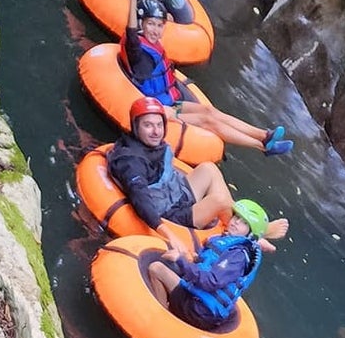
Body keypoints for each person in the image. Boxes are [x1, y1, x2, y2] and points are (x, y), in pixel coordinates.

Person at [122, 0, 293, 156]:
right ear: (142, 24)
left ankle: (264, 135)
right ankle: (263, 147)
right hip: (158, 110)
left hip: (169, 102)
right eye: (150, 24)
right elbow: (131, 35)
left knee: (209, 111)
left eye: (159, 25)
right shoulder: (138, 50)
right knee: (207, 121)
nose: (155, 30)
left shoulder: (153, 45)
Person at [108, 97, 290, 247]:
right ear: (136, 126)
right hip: (168, 212)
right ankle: (254, 233)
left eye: (159, 125)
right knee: (219, 201)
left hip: (174, 193)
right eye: (148, 125)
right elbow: (140, 199)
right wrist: (167, 232)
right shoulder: (131, 161)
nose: (156, 131)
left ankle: (244, 225)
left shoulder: (150, 144)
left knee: (208, 168)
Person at [146, 196, 276, 332]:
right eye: (236, 217)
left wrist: (181, 260)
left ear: (251, 233)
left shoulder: (238, 257)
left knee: (156, 268)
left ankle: (164, 318)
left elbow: (211, 281)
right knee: (172, 267)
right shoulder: (232, 246)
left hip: (198, 310)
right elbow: (208, 266)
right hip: (202, 304)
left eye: (243, 223)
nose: (236, 222)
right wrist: (193, 259)